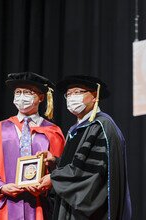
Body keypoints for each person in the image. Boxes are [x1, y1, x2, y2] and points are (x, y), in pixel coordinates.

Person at [37, 75, 132, 219]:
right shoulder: (76, 129)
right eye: (68, 94)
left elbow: (91, 172)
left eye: (78, 92)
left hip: (90, 211)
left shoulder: (101, 126)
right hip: (71, 204)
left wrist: (54, 178)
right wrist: (56, 161)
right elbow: (79, 162)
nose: (71, 98)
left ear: (94, 96)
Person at [0, 72, 65, 220]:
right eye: (18, 92)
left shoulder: (53, 132)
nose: (22, 97)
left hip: (40, 207)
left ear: (41, 97)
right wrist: (1, 187)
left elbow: (61, 169)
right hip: (5, 206)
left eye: (28, 92)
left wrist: (48, 183)